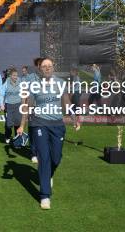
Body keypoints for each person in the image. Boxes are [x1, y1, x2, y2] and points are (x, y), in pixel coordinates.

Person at [17, 57, 80, 210]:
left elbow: (66, 101)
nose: (46, 68)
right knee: (43, 157)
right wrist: (22, 125)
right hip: (40, 123)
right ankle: (45, 195)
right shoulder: (34, 84)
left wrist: (73, 117)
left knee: (56, 158)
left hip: (57, 125)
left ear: (53, 68)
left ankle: (49, 174)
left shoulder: (60, 83)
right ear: (40, 69)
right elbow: (28, 106)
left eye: (49, 66)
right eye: (44, 66)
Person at [0, 68, 22, 144]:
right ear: (11, 76)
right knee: (9, 124)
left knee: (18, 123)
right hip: (8, 105)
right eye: (14, 75)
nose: (16, 77)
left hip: (18, 105)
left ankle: (17, 139)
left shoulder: (20, 81)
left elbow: (24, 92)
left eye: (16, 75)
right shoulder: (6, 82)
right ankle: (7, 136)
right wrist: (2, 105)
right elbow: (2, 94)